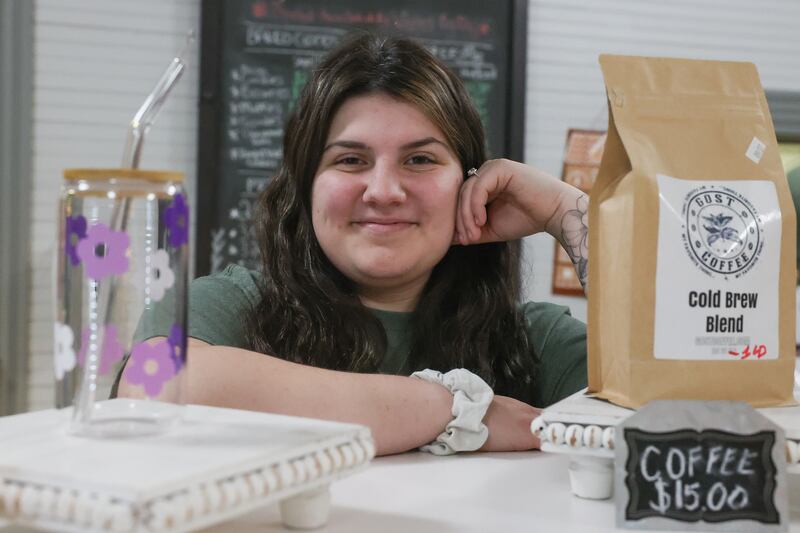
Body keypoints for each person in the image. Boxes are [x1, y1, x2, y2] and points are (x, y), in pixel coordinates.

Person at [116, 34, 589, 456]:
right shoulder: (230, 306)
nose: (383, 191)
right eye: (350, 160)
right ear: (305, 187)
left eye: (420, 159)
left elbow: (639, 415)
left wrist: (567, 212)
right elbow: (156, 386)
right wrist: (457, 410)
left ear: (470, 184)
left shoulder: (534, 341)